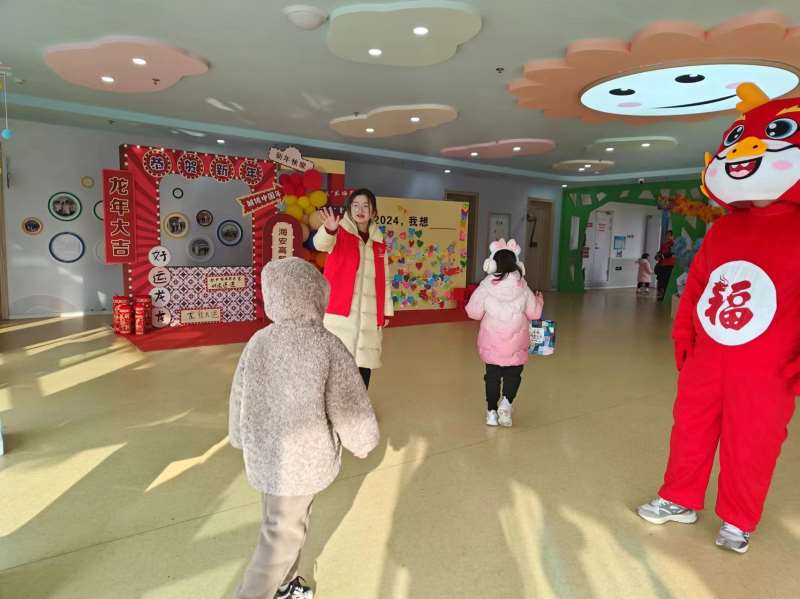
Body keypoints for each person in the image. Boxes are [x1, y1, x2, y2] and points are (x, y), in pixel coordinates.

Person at [637, 83, 800, 554]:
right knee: (689, 426)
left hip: (769, 366)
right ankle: (679, 498)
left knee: (753, 440)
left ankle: (738, 519)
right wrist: (683, 337)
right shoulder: (724, 228)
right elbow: (699, 288)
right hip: (708, 356)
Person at [229, 258, 380, 598]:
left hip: (265, 454)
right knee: (281, 536)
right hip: (302, 460)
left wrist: (239, 435)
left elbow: (239, 393)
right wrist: (362, 440)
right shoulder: (326, 344)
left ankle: (286, 584)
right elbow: (348, 401)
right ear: (316, 295)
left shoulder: (259, 341)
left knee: (281, 522)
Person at [313, 189, 393, 389]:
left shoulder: (379, 242)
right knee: (338, 362)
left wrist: (386, 311)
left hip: (370, 312)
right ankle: (334, 404)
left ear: (373, 212)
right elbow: (320, 244)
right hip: (341, 311)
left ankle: (359, 404)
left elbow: (384, 279)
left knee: (364, 363)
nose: (360, 210)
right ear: (349, 209)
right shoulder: (338, 231)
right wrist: (329, 230)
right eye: (355, 205)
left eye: (366, 205)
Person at [466, 239, 544, 427]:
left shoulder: (485, 286)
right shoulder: (523, 287)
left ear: (492, 264)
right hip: (517, 342)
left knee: (492, 376)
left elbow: (473, 313)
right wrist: (539, 300)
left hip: (491, 341)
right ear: (517, 264)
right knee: (513, 374)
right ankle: (506, 404)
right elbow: (535, 314)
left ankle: (491, 413)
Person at [654, 230, 675, 301]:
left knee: (666, 281)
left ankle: (664, 296)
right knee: (660, 280)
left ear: (672, 236)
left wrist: (662, 256)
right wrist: (657, 255)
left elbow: (672, 252)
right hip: (662, 264)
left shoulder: (673, 243)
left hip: (669, 265)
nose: (668, 236)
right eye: (667, 235)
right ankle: (660, 295)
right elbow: (660, 252)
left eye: (669, 235)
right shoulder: (664, 244)